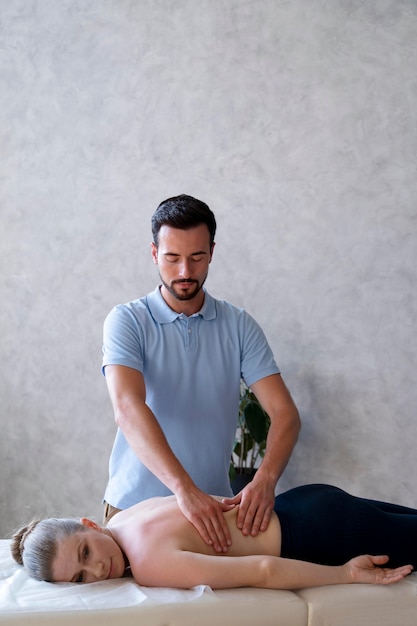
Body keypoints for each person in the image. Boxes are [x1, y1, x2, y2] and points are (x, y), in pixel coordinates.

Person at [101, 194, 301, 552]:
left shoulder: (239, 326)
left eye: (196, 258)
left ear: (211, 252)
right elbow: (127, 409)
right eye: (172, 258)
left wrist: (265, 479)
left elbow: (285, 414)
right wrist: (184, 490)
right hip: (134, 509)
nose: (184, 272)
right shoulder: (127, 320)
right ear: (153, 253)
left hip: (214, 513)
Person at [12, 484, 415, 590]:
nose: (97, 568)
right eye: (80, 578)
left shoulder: (149, 564)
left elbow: (262, 570)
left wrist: (345, 575)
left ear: (90, 523)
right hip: (308, 500)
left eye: (84, 551)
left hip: (323, 534)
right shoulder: (133, 513)